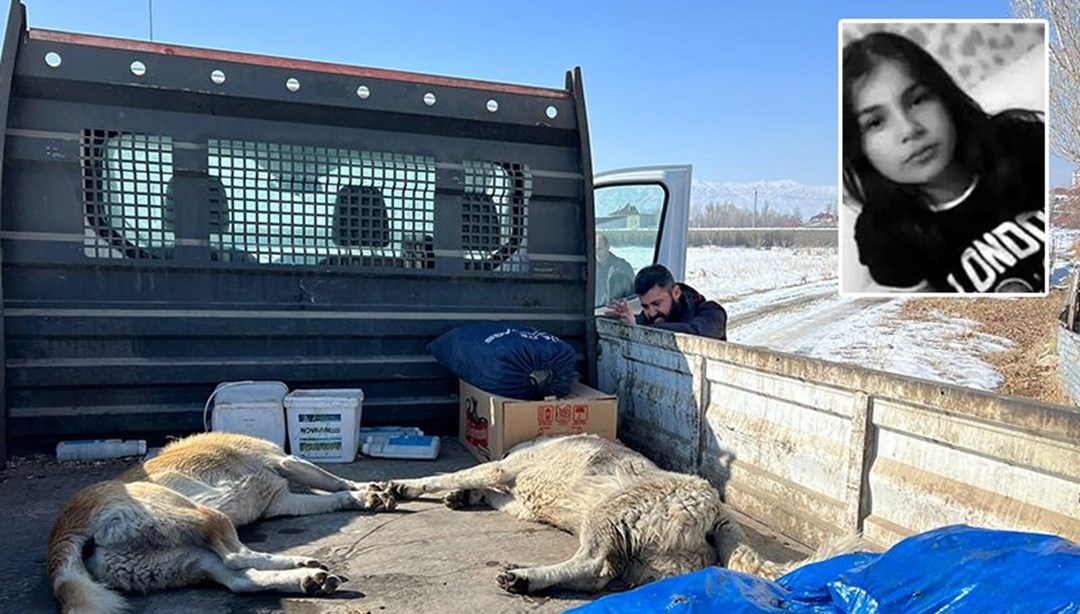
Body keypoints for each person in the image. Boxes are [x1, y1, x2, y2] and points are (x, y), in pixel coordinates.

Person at [842, 30, 1046, 293]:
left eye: (917, 100)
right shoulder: (890, 238)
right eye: (876, 122)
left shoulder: (1021, 146)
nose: (909, 129)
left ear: (943, 96)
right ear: (857, 147)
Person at [605, 264, 727, 340]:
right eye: (645, 306)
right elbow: (638, 322)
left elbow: (695, 333)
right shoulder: (649, 319)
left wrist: (640, 331)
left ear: (676, 293)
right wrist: (623, 319)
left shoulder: (711, 312)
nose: (651, 313)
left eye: (657, 303)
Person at [595, 234, 635, 305]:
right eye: (594, 249)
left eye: (600, 249)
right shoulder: (589, 268)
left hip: (617, 309)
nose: (597, 253)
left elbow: (633, 295)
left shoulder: (623, 267)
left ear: (608, 247)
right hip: (595, 310)